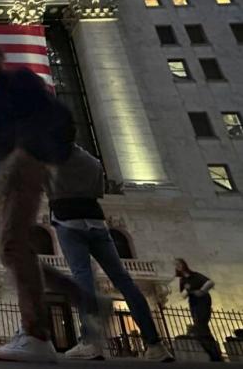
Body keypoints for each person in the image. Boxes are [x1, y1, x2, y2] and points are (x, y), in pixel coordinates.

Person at [0, 42, 84, 363]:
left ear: (1, 58)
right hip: (3, 175)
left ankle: (36, 333)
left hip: (22, 166)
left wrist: (34, 151)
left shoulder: (21, 81)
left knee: (12, 246)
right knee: (10, 248)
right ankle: (78, 296)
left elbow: (57, 116)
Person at [46, 143, 174, 362]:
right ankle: (155, 344)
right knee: (123, 279)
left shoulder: (50, 158)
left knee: (82, 278)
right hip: (97, 221)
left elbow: (45, 186)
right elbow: (99, 190)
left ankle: (91, 342)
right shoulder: (92, 161)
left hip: (67, 220)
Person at [176, 258, 222, 362]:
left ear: (184, 264)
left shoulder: (195, 276)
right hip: (193, 303)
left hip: (203, 301)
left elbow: (210, 282)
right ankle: (213, 353)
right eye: (176, 265)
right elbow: (182, 295)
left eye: (179, 264)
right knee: (200, 327)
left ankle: (214, 354)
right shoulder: (182, 280)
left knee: (201, 326)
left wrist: (202, 290)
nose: (177, 266)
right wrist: (187, 290)